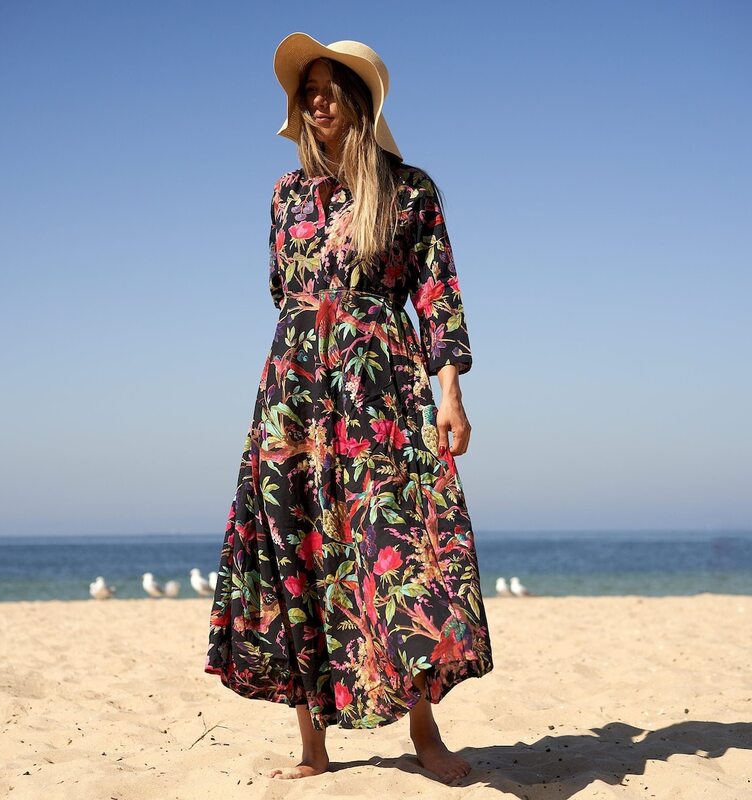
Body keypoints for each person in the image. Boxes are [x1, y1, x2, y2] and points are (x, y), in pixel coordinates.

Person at [205, 32, 494, 784]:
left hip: (382, 390)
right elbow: (284, 290)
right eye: (307, 92)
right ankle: (313, 746)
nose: (316, 102)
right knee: (296, 545)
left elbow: (437, 295)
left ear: (360, 102)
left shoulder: (410, 190)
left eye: (329, 90)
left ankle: (424, 732)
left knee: (398, 547)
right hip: (295, 393)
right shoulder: (285, 195)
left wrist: (451, 393)